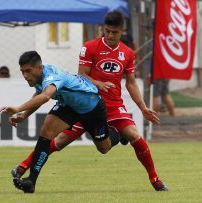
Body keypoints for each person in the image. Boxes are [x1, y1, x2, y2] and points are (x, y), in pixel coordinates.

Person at [11, 11, 168, 192]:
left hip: (114, 106)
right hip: (85, 103)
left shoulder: (127, 53)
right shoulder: (90, 47)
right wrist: (99, 83)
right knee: (59, 141)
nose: (109, 35)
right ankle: (24, 167)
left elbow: (131, 83)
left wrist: (143, 108)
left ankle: (155, 179)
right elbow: (82, 74)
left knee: (132, 136)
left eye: (114, 32)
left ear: (121, 31)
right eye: (107, 31)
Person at [0, 51, 120, 193]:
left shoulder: (52, 76)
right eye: (22, 71)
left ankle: (118, 134)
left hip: (92, 107)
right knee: (46, 132)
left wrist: (18, 108)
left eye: (28, 71)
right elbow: (39, 93)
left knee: (104, 148)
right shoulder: (38, 77)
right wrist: (23, 115)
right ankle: (31, 180)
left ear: (39, 68)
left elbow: (45, 96)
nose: (25, 76)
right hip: (69, 106)